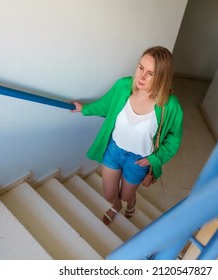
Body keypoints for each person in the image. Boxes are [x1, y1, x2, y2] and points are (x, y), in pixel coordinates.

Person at [70, 46, 183, 225]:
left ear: (162, 77)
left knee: (126, 194)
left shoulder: (170, 106)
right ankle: (115, 206)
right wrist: (84, 109)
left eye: (150, 73)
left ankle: (131, 202)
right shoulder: (123, 86)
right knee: (109, 194)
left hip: (139, 160)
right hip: (114, 151)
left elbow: (174, 139)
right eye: (141, 68)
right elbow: (105, 105)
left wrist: (155, 159)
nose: (141, 76)